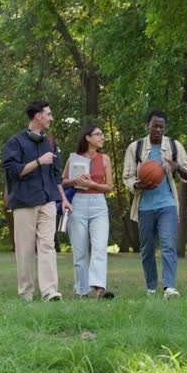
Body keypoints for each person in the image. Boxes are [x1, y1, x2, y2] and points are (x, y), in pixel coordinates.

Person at [2, 100, 72, 301]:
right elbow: (14, 172)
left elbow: (56, 176)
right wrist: (39, 161)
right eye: (48, 114)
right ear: (37, 116)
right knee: (24, 249)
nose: (51, 118)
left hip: (48, 201)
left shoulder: (50, 142)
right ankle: (26, 293)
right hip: (24, 203)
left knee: (48, 246)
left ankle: (50, 292)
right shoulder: (14, 143)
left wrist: (63, 199)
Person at [123, 110, 187, 298]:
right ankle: (151, 287)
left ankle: (169, 287)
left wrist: (176, 166)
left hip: (167, 205)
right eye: (154, 125)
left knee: (168, 245)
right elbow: (127, 177)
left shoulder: (174, 146)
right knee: (147, 249)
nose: (158, 129)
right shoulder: (135, 148)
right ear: (148, 125)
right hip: (145, 206)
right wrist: (137, 184)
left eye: (161, 127)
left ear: (165, 128)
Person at [62, 124, 113, 298]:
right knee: (80, 250)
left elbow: (109, 187)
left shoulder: (105, 159)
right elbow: (62, 182)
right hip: (78, 203)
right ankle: (82, 290)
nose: (102, 137)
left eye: (103, 134)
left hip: (99, 204)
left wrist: (93, 185)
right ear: (88, 138)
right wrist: (75, 180)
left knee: (99, 248)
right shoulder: (74, 158)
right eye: (98, 134)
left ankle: (99, 288)